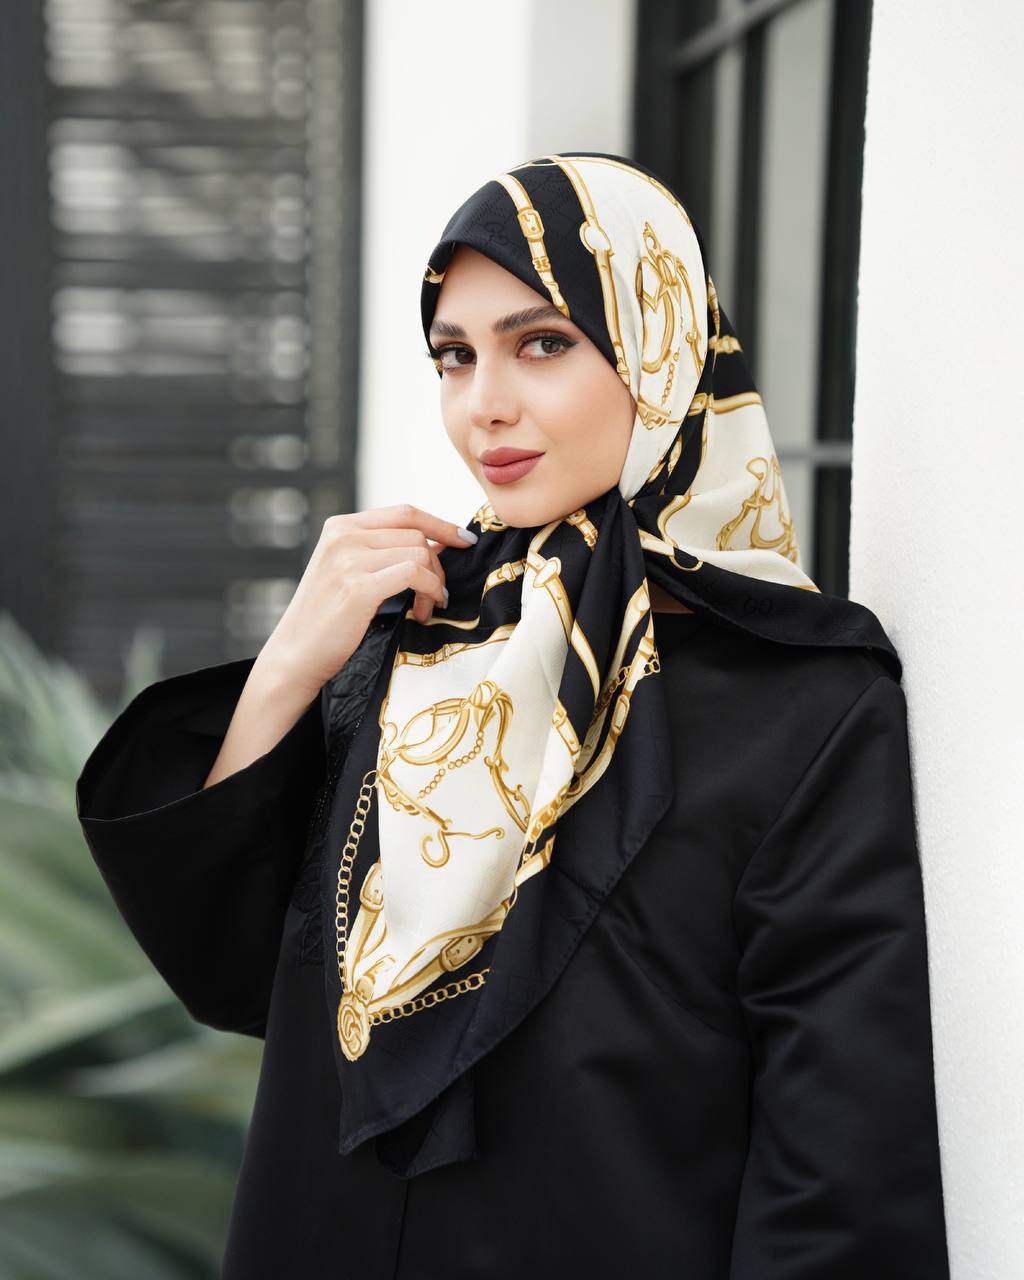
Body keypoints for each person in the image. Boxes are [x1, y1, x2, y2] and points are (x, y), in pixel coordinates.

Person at [76, 151, 950, 1278]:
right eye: (454, 355)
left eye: (542, 343)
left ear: (657, 347)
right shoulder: (414, 648)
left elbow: (838, 1163)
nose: (484, 402)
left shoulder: (802, 701)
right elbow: (235, 970)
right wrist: (291, 663)